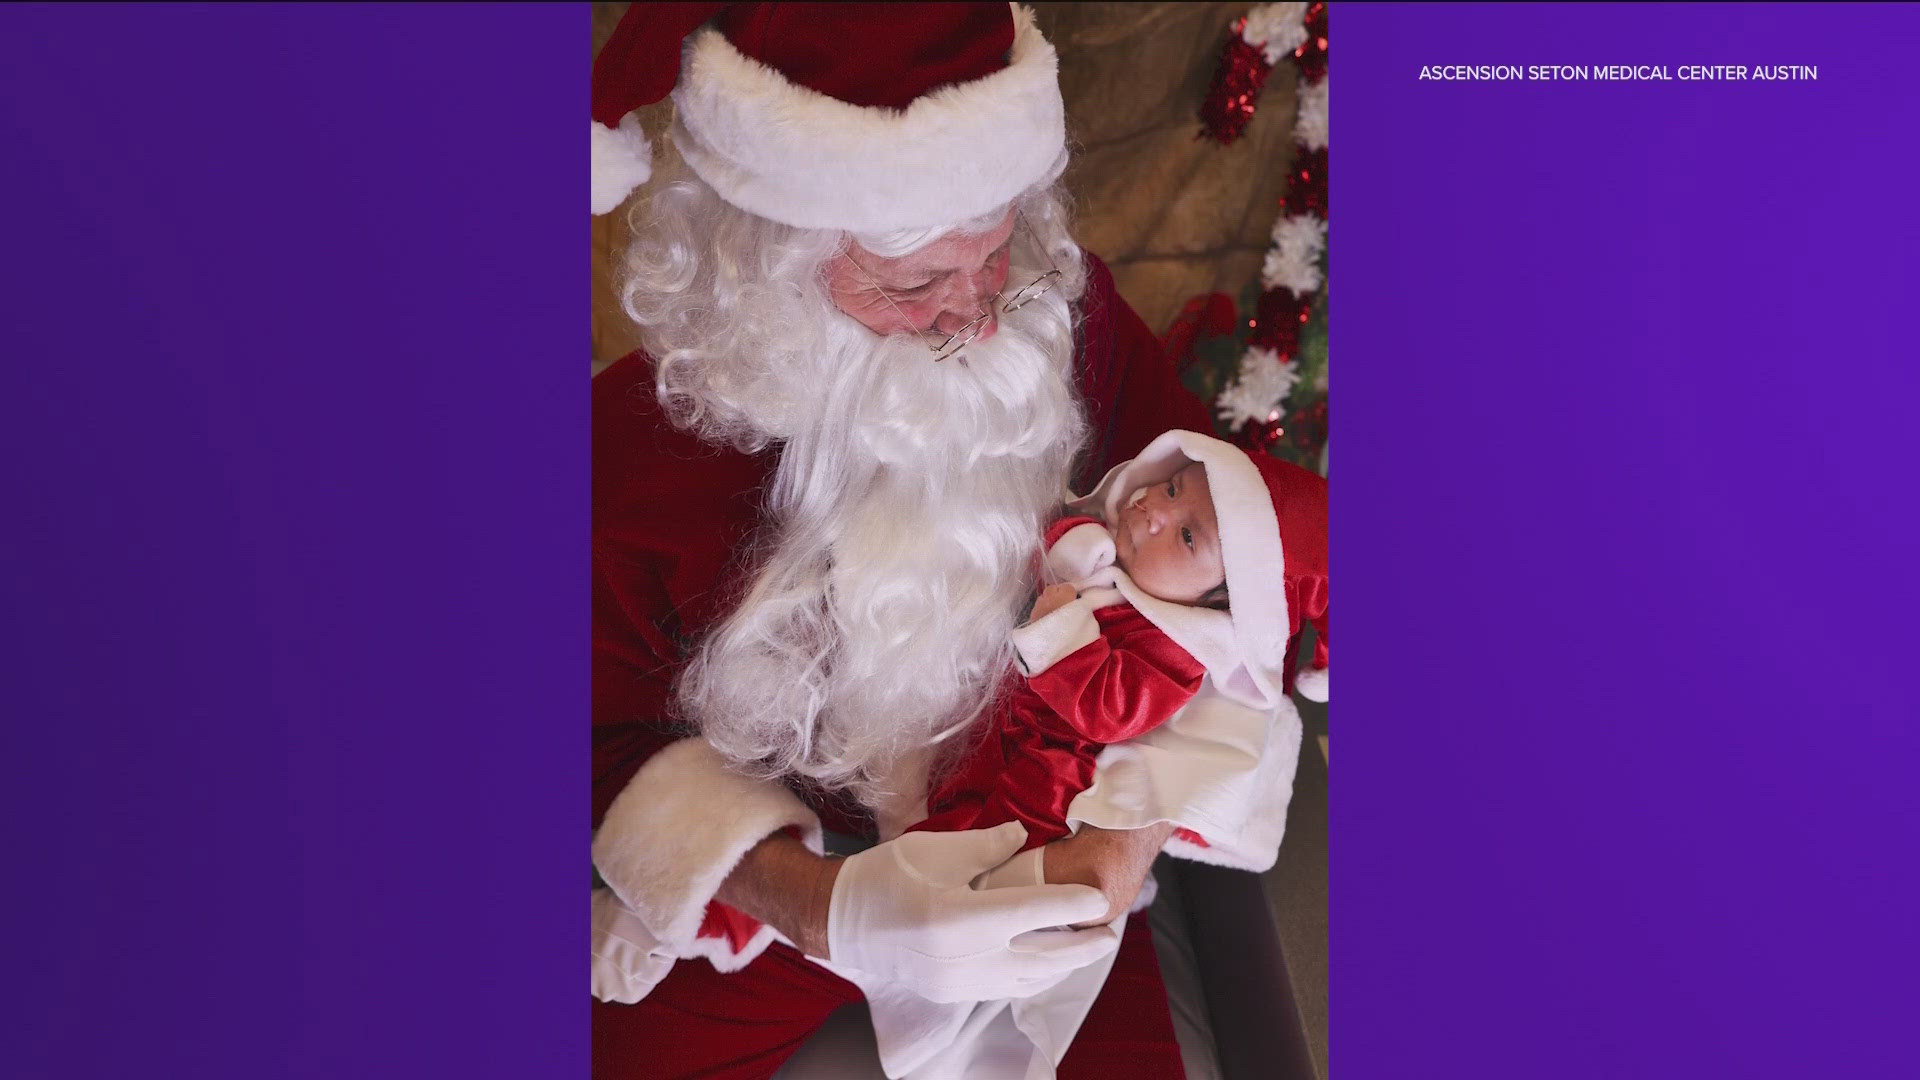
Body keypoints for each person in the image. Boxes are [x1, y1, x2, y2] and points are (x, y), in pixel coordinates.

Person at [587, 5, 1308, 1078]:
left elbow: (1231, 591)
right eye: (915, 283)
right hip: (787, 906)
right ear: (767, 267)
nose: (976, 314)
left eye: (994, 246)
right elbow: (594, 740)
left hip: (1051, 862)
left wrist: (1120, 844)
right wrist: (826, 909)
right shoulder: (630, 447)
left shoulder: (1066, 322)